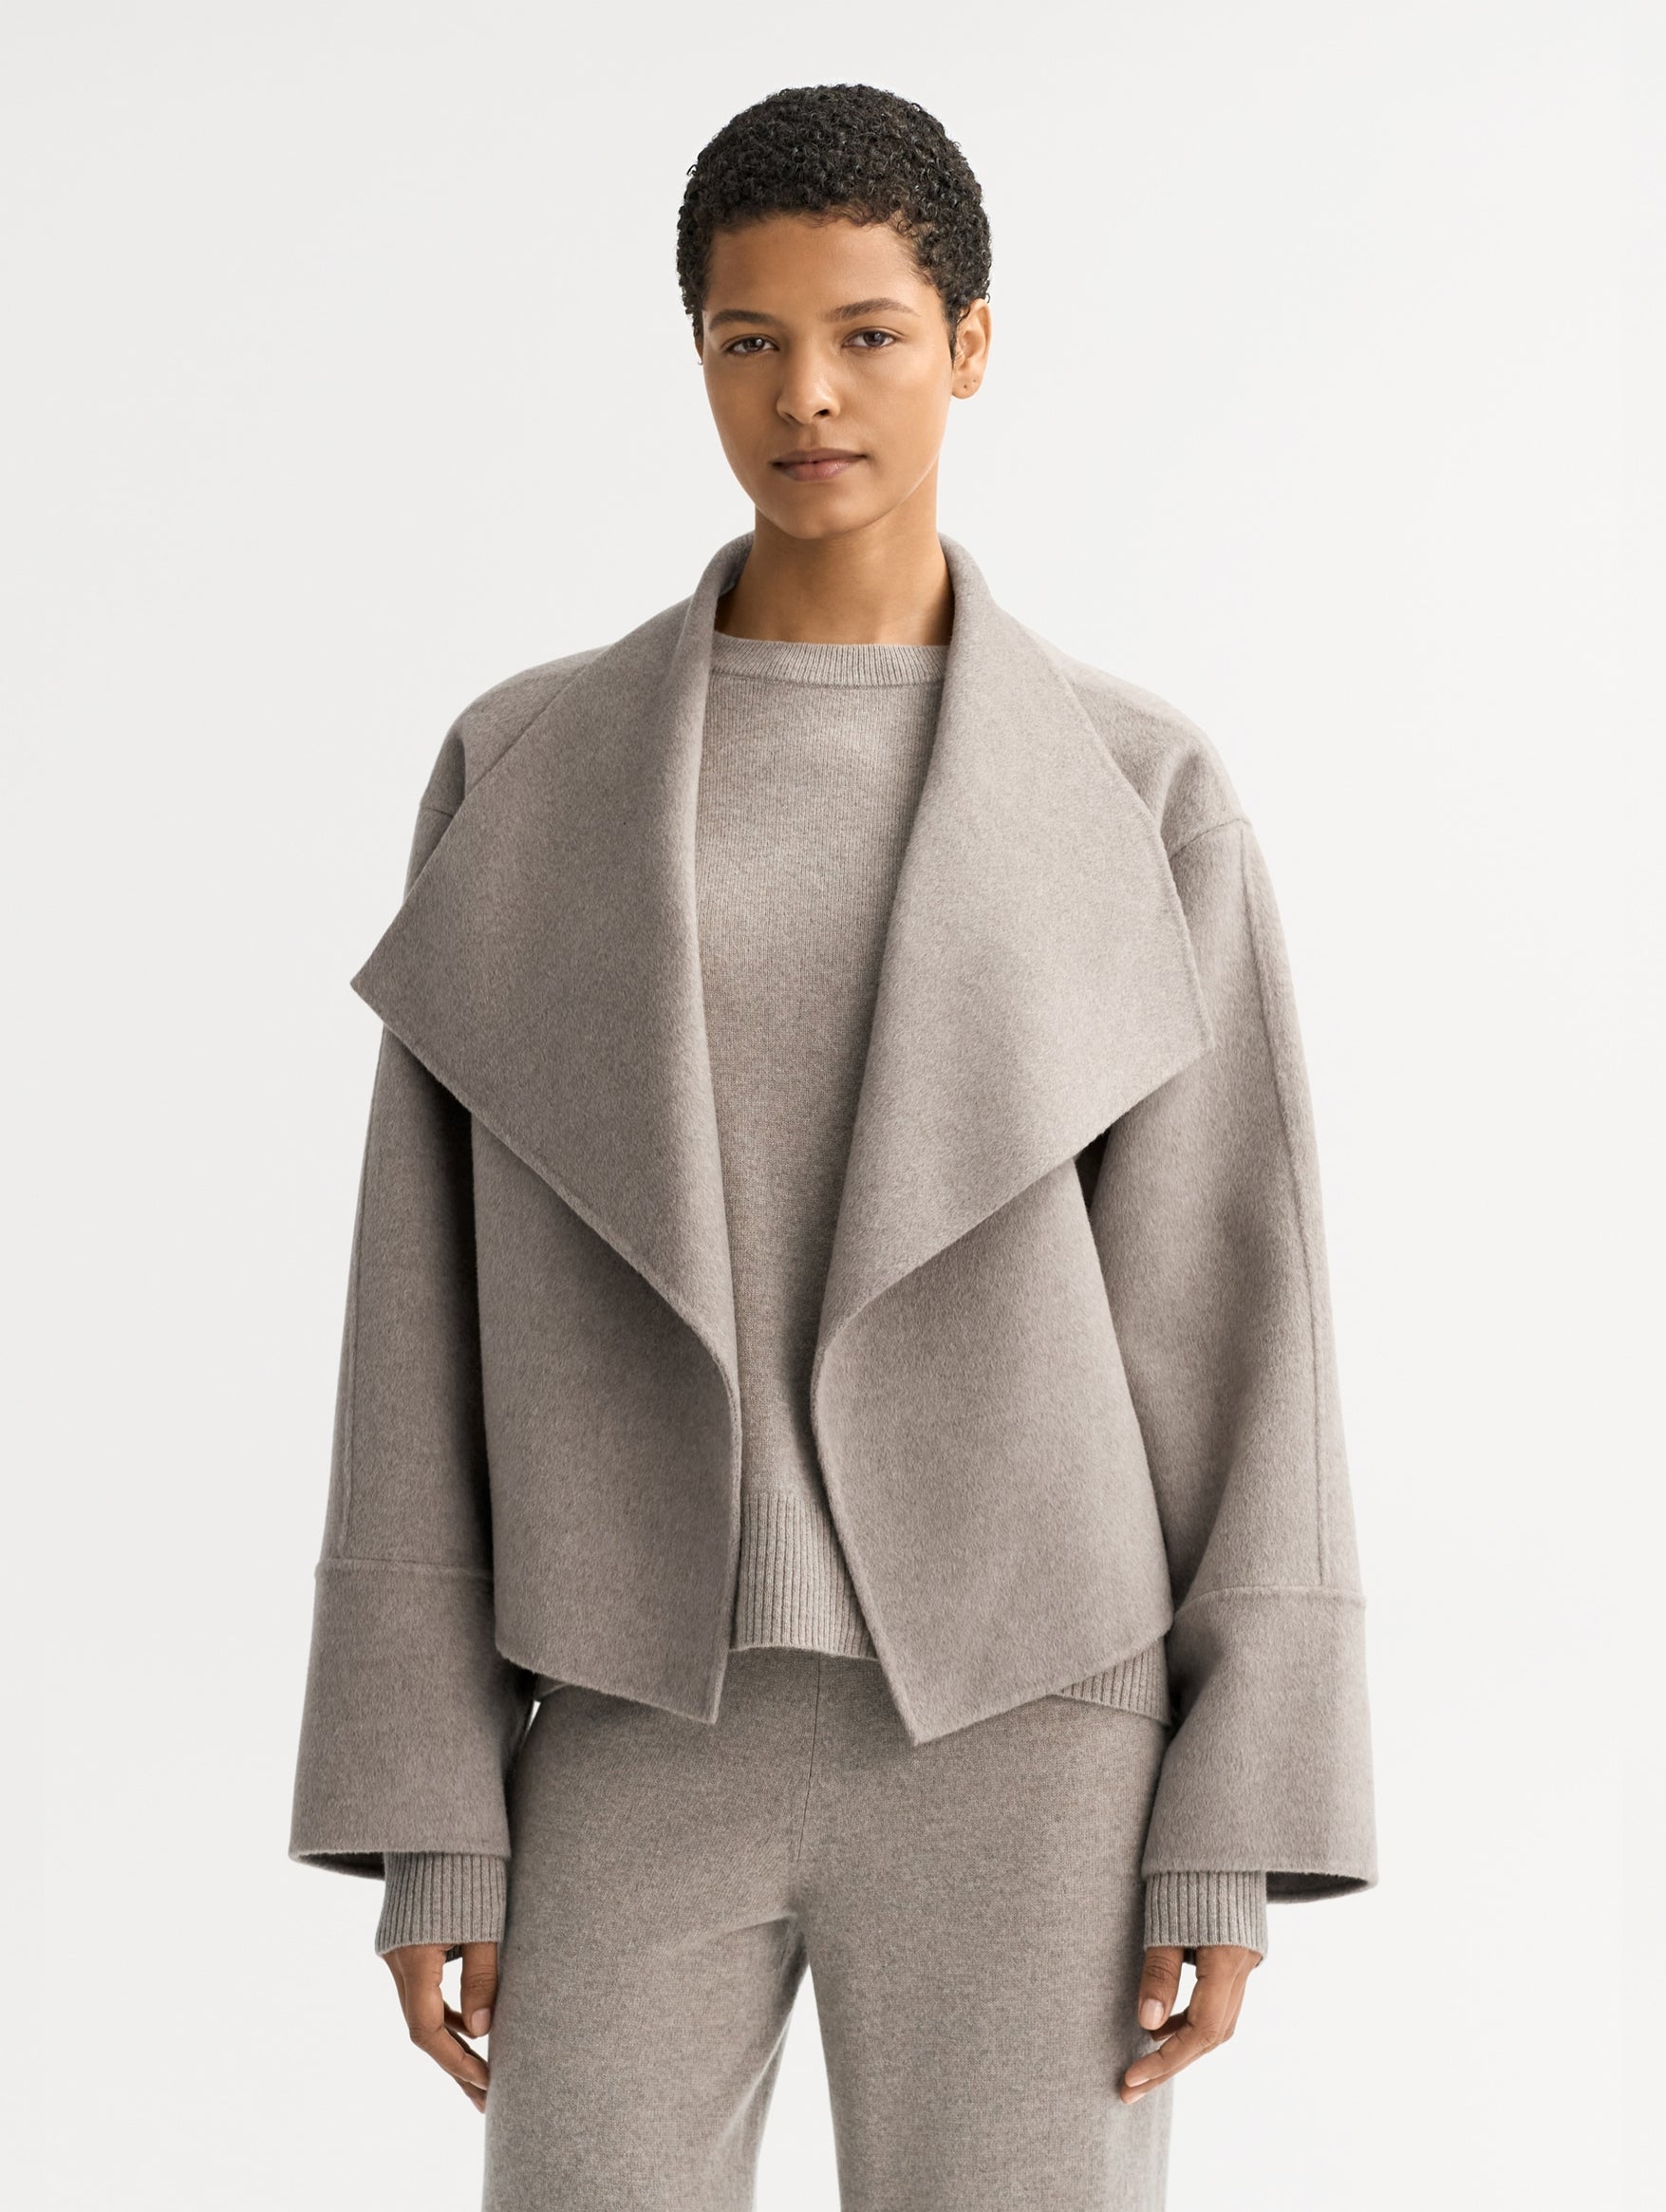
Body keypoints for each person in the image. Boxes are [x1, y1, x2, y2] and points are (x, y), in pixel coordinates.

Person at [289, 81, 1377, 2210]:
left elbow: (1236, 1312)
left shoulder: (1140, 786)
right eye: (749, 338)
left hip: (1035, 1725)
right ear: (695, 352)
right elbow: (414, 1312)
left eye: (868, 332)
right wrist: (428, 1801)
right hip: (625, 1707)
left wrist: (1231, 1812)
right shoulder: (524, 764)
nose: (806, 394)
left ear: (967, 343)